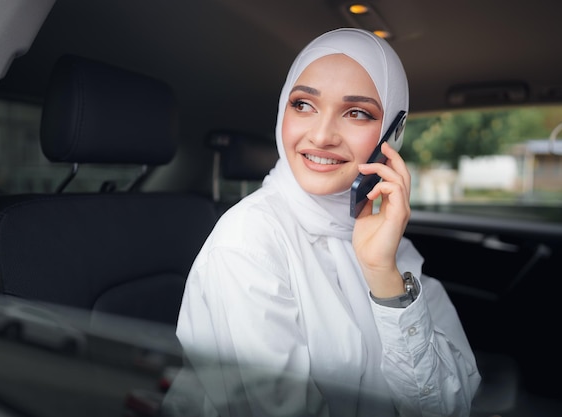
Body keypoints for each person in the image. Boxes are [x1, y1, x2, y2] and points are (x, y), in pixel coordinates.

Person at [172, 27, 481, 417]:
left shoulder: (390, 245)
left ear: (393, 134)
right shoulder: (247, 242)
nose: (321, 135)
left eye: (356, 113)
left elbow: (451, 406)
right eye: (303, 105)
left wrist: (382, 274)